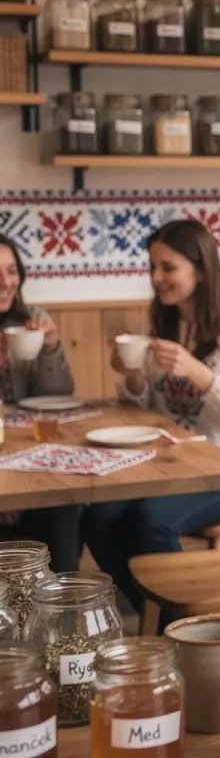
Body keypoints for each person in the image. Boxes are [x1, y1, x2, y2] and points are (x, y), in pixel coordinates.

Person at [82, 220, 220, 621]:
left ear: (201, 269)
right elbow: (152, 409)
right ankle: (155, 617)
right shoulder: (166, 322)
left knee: (153, 520)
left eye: (168, 268)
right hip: (177, 467)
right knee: (98, 516)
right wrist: (133, 377)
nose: (156, 278)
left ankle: (184, 631)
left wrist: (200, 374)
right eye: (152, 267)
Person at [0, 233, 80, 571]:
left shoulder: (31, 318)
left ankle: (62, 594)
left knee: (62, 499)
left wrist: (50, 349)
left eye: (11, 271)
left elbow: (59, 398)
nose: (6, 283)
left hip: (26, 450)